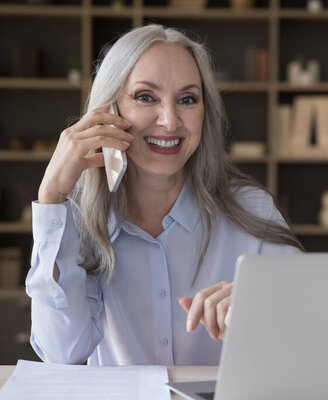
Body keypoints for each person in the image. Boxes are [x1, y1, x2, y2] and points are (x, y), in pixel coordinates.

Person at [26, 24, 303, 367]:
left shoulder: (252, 209)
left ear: (205, 112)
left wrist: (265, 305)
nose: (170, 121)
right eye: (146, 97)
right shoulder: (78, 221)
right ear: (108, 113)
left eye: (187, 99)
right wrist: (51, 197)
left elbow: (307, 330)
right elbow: (62, 351)